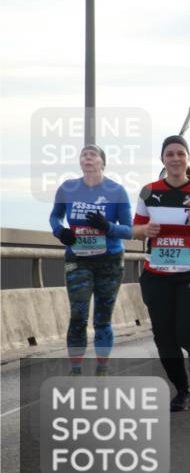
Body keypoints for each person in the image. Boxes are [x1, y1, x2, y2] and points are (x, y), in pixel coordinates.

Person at [133, 135, 190, 412]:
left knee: (187, 331)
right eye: (169, 154)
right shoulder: (149, 191)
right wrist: (144, 231)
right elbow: (134, 230)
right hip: (156, 272)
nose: (175, 158)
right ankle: (182, 390)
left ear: (188, 158)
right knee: (163, 336)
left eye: (180, 153)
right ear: (163, 159)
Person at [49, 144, 132, 375]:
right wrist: (60, 231)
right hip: (78, 259)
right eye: (83, 154)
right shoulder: (67, 188)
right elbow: (55, 215)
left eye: (92, 154)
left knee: (102, 318)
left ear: (102, 162)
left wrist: (107, 227)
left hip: (110, 260)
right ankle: (75, 369)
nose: (87, 157)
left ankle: (101, 368)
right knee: (78, 313)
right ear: (80, 161)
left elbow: (129, 230)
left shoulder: (116, 191)